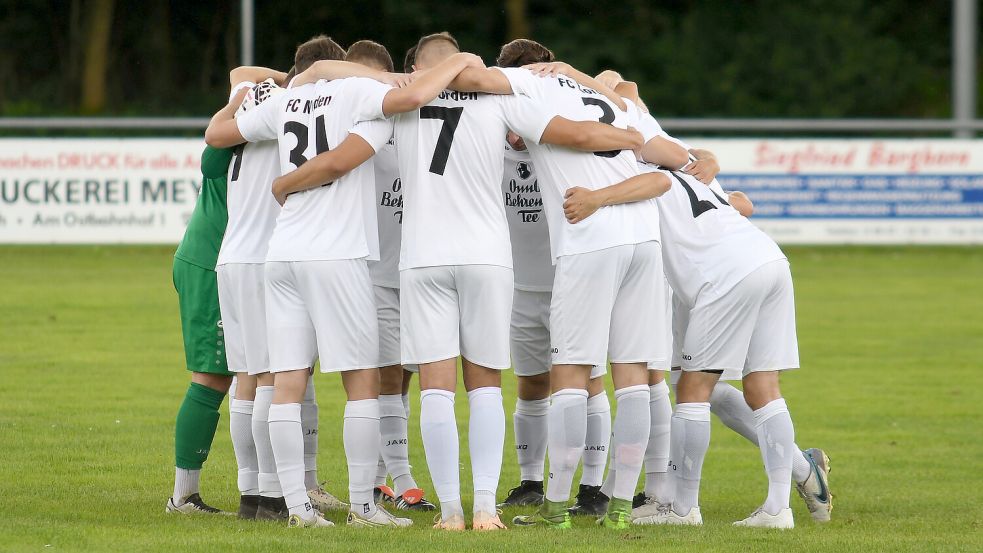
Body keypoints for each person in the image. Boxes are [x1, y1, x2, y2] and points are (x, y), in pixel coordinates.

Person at [266, 33, 645, 530]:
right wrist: (631, 137)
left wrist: (288, 182)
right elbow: (574, 133)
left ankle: (449, 511)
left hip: (422, 260)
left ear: (418, 67)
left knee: (437, 389)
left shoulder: (399, 106)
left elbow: (342, 153)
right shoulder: (498, 100)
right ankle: (485, 509)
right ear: (467, 63)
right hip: (487, 257)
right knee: (486, 383)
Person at [205, 37, 482, 529]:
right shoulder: (359, 97)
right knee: (362, 383)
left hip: (282, 253)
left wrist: (287, 88)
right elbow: (401, 109)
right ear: (362, 73)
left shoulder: (290, 99)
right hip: (337, 254)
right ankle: (362, 506)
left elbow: (219, 133)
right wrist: (454, 64)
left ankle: (295, 508)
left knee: (286, 379)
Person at [626, 107, 828, 527]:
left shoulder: (641, 168)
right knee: (763, 385)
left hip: (722, 275)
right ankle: (780, 507)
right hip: (769, 258)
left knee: (693, 389)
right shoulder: (695, 170)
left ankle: (683, 509)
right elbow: (743, 203)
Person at [497, 133, 613, 517]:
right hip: (519, 286)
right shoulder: (487, 147)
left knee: (589, 381)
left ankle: (593, 488)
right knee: (530, 383)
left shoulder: (565, 147)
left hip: (572, 279)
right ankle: (531, 482)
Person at [343, 38, 435, 512]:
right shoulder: (354, 121)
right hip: (374, 269)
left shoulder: (421, 118)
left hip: (420, 269)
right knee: (385, 375)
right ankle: (400, 480)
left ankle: (383, 480)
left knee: (405, 379)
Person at [166, 142, 237, 516]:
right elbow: (211, 161)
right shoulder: (246, 115)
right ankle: (182, 497)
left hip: (233, 262)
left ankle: (283, 490)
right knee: (212, 377)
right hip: (210, 263)